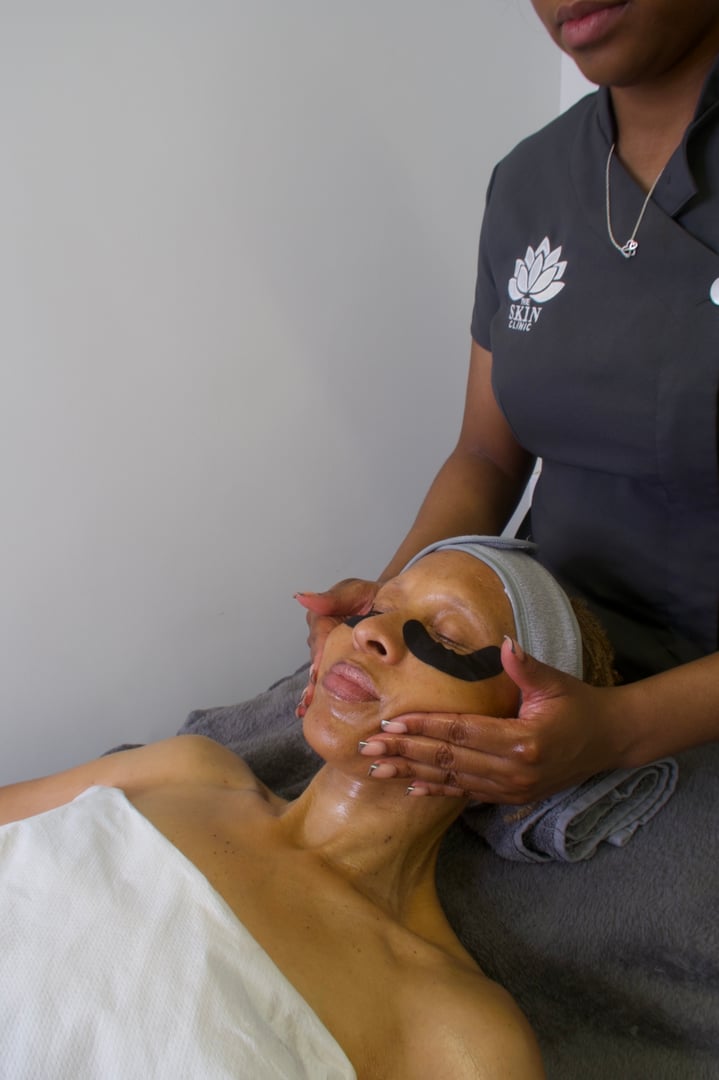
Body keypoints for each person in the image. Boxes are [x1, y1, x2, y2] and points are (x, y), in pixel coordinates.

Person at [292, 0, 719, 806]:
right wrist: (388, 612)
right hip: (527, 652)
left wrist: (621, 727)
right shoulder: (530, 181)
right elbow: (486, 454)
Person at [1, 536, 609, 1080]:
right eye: (380, 605)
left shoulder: (458, 1035)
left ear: (523, 737)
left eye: (449, 635)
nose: (371, 632)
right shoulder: (188, 768)